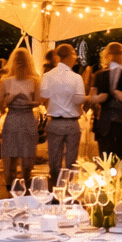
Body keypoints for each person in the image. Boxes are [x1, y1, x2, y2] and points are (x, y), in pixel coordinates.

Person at [0, 48, 41, 191]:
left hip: (28, 118)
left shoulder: (34, 81)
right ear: (14, 62)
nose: (21, 64)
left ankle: (26, 182)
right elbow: (0, 103)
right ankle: (10, 185)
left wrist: (28, 102)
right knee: (10, 156)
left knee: (27, 157)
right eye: (18, 61)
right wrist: (12, 97)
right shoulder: (5, 81)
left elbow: (39, 101)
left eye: (23, 61)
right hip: (12, 118)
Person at [40, 44, 85, 177]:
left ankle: (54, 186)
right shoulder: (76, 77)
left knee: (54, 160)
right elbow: (79, 100)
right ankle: (69, 189)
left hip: (54, 122)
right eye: (74, 55)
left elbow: (43, 96)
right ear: (70, 56)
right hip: (72, 122)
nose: (76, 58)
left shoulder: (48, 76)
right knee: (71, 162)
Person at [90, 41, 122, 158]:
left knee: (107, 159)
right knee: (121, 158)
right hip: (118, 122)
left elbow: (91, 98)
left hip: (112, 122)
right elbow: (92, 98)